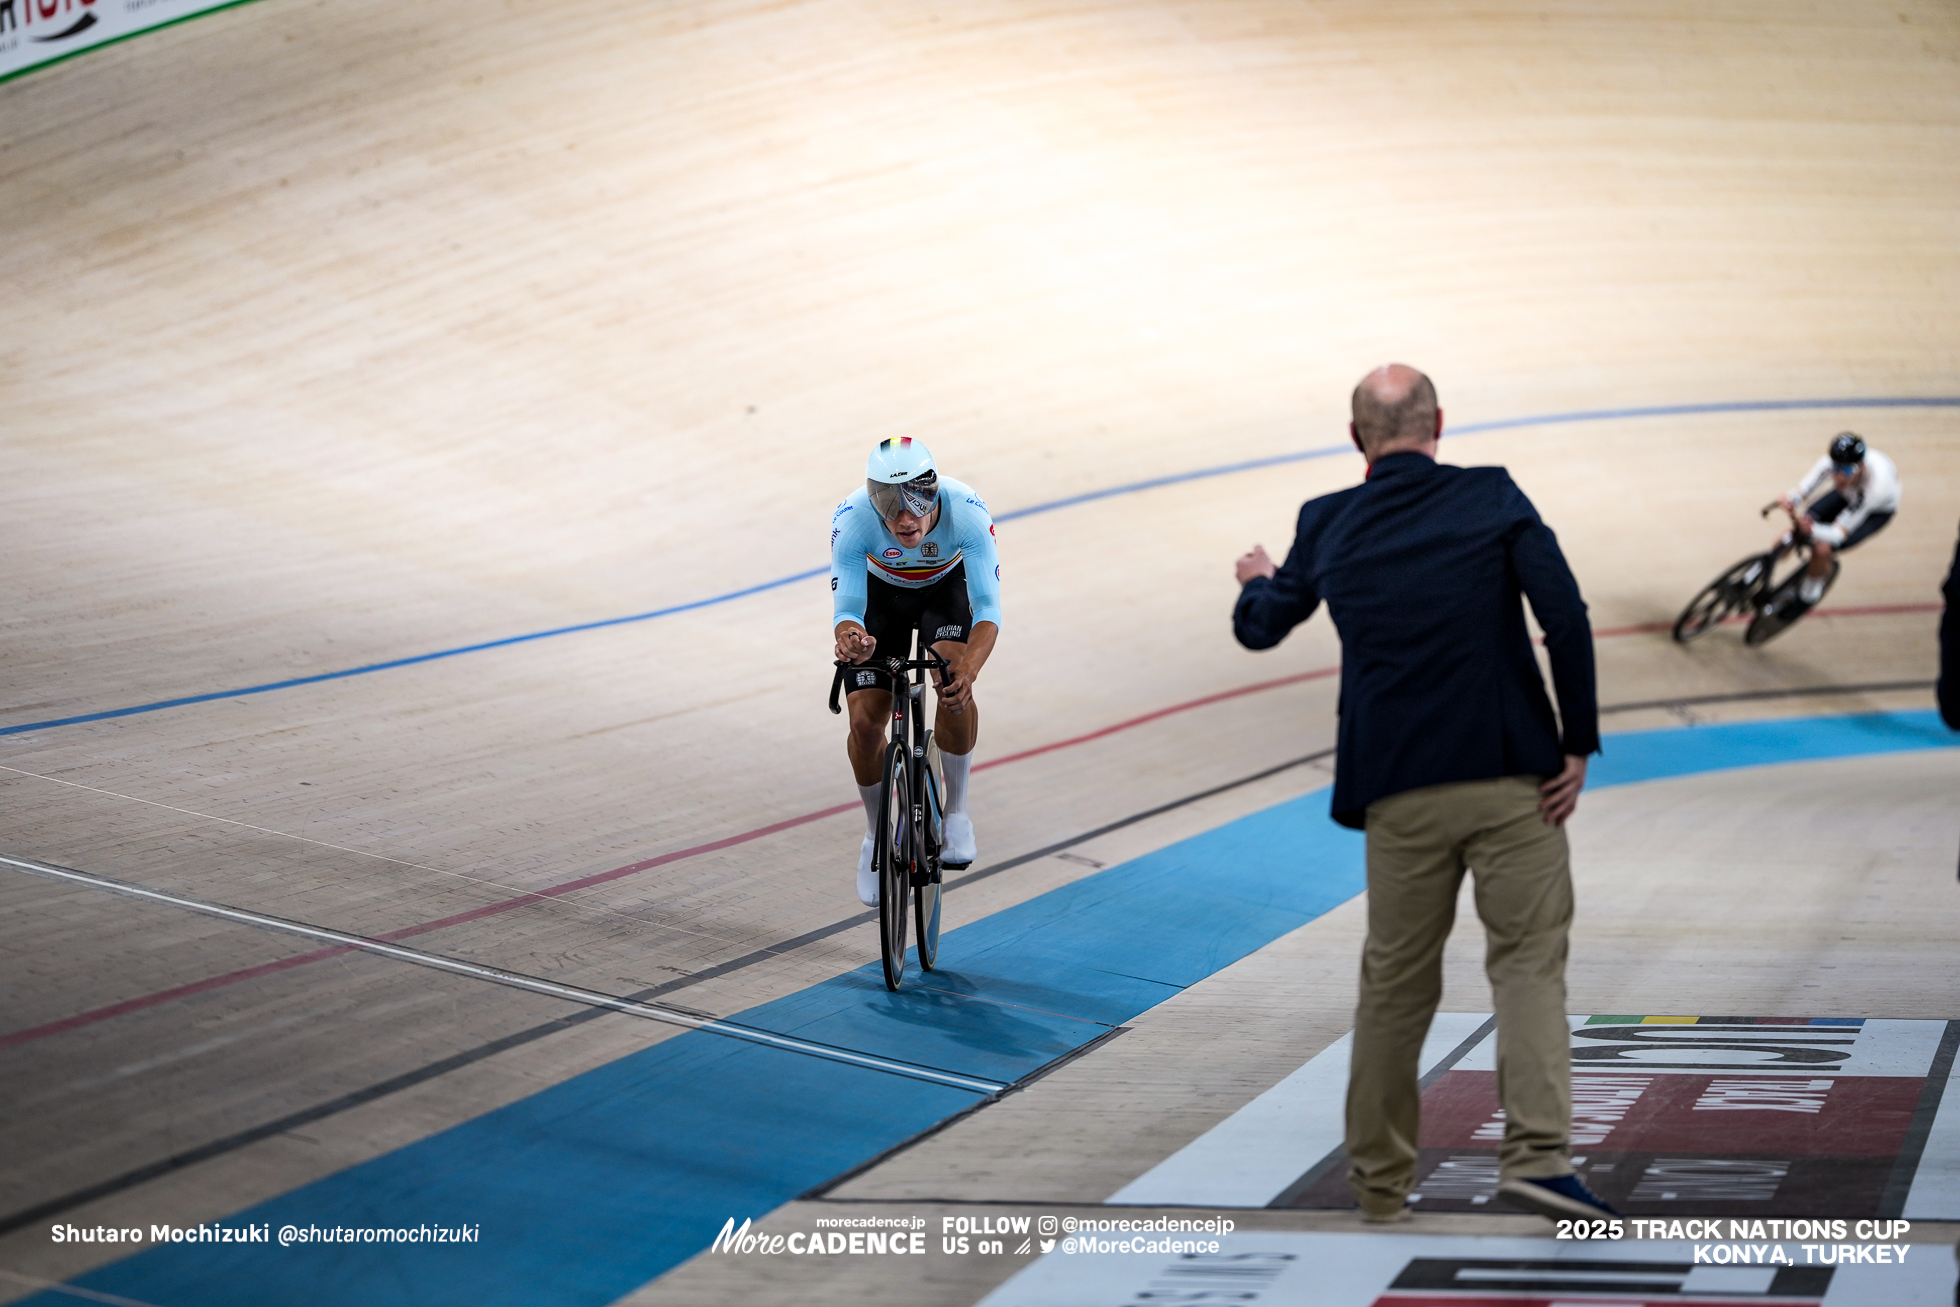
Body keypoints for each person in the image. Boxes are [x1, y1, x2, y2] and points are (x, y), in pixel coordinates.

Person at [1232, 364, 1610, 1223]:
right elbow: (1566, 615)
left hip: (1398, 792)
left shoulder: (1325, 520)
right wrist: (1578, 741)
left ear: (1355, 435)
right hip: (1515, 779)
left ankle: (1379, 1185)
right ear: (1439, 421)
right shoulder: (1493, 496)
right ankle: (1539, 1161)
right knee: (1526, 968)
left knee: (1395, 987)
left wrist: (1259, 576)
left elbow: (1262, 627)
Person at [831, 438, 1001, 906]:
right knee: (865, 724)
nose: (904, 519)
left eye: (916, 502)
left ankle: (958, 813)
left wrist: (968, 668)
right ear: (872, 501)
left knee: (951, 681)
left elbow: (988, 609)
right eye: (889, 504)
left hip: (943, 590)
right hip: (880, 600)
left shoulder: (966, 510)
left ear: (934, 492)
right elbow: (847, 608)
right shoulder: (852, 519)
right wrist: (850, 636)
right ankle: (873, 836)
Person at [1774, 432, 1900, 609]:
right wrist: (1791, 499)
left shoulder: (1876, 487)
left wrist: (1812, 530)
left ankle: (1808, 595)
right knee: (1797, 528)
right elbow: (1804, 489)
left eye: (1847, 471)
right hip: (1848, 494)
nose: (1839, 477)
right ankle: (1767, 564)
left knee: (1821, 548)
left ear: (1862, 466)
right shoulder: (1834, 463)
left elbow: (1839, 533)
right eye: (1836, 469)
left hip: (1874, 512)